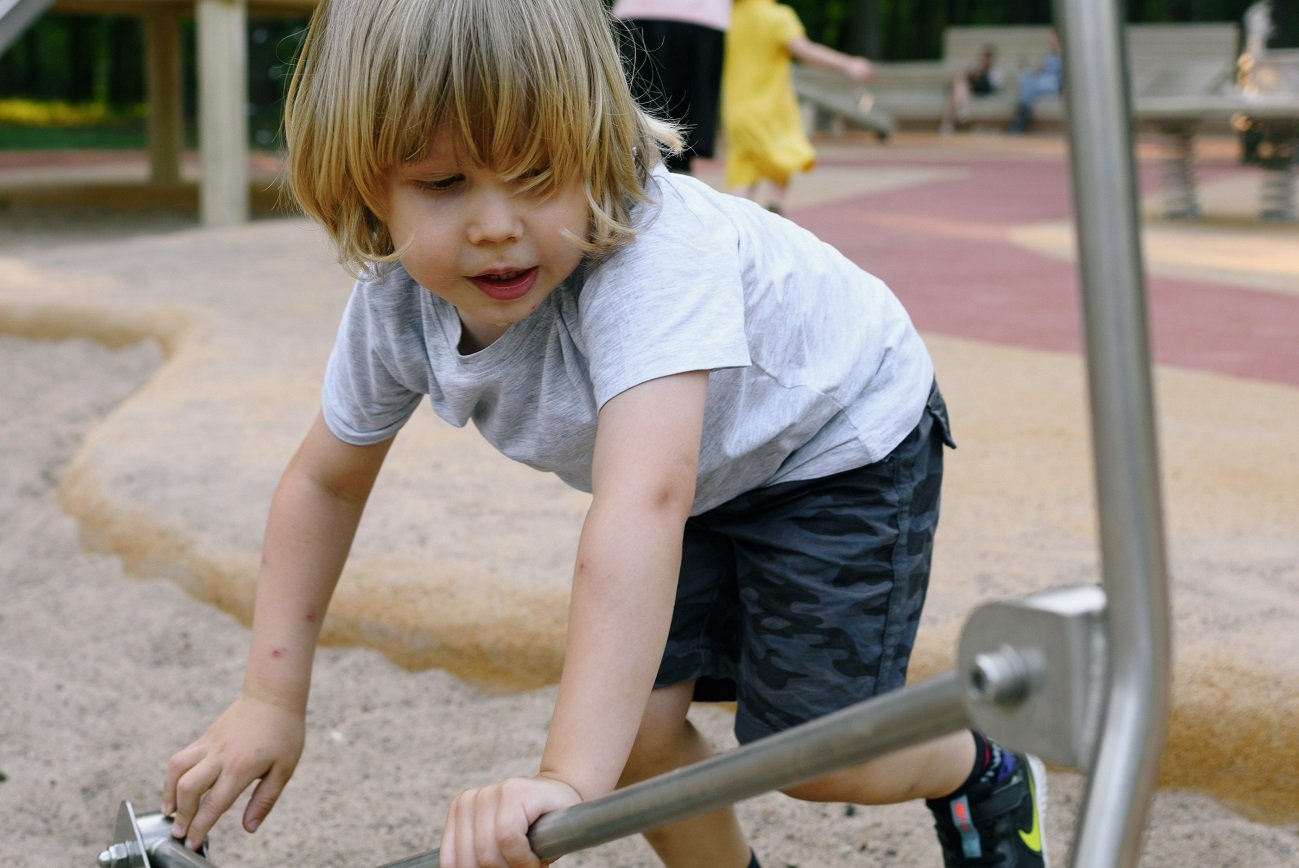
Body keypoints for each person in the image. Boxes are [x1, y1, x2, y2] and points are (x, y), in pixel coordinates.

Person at [159, 1, 1049, 866]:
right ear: (365, 183)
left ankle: (985, 768)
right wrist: (270, 697)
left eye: (540, 174)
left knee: (822, 754)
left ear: (597, 142)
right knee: (635, 741)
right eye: (441, 183)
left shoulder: (650, 256)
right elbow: (325, 482)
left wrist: (563, 780)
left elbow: (642, 505)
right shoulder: (396, 300)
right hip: (699, 463)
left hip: (833, 436)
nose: (497, 224)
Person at [722, 0, 875, 215]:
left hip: (736, 111)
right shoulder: (777, 16)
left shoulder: (728, 17)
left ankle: (738, 219)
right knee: (786, 153)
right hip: (770, 110)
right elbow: (806, 50)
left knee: (744, 173)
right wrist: (848, 65)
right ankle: (776, 201)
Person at [613, 0, 733, 174]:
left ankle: (641, 180)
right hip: (703, 17)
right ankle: (668, 182)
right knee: (686, 122)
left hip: (644, 12)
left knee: (640, 110)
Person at [940, 45, 1004, 135]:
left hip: (985, 88)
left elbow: (995, 84)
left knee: (959, 85)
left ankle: (948, 122)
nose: (985, 59)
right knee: (959, 88)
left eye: (987, 57)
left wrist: (981, 74)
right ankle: (961, 109)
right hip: (974, 87)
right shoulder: (979, 66)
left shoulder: (996, 69)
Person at [1008, 30, 1063, 134]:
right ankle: (1024, 113)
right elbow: (1040, 71)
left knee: (1029, 83)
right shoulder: (1048, 56)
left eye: (1052, 38)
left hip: (1054, 82)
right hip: (1042, 80)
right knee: (1026, 76)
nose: (1049, 41)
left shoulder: (1063, 55)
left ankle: (1023, 115)